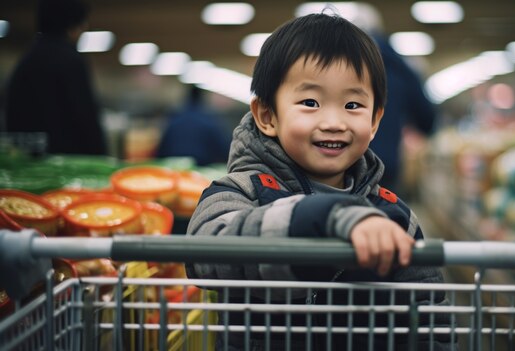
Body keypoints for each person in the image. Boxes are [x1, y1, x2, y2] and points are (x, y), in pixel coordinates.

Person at [185, 13, 451, 350]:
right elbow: (206, 256)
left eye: (353, 105)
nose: (333, 122)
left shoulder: (394, 215)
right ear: (267, 116)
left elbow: (429, 316)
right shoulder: (239, 193)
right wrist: (323, 218)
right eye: (310, 103)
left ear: (374, 121)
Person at [4, 0, 107, 155]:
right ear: (73, 24)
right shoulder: (70, 59)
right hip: (67, 162)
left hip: (28, 159)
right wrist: (101, 157)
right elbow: (85, 117)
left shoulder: (26, 59)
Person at [353, 4, 438, 192]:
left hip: (336, 161)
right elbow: (427, 118)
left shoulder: (331, 63)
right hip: (385, 165)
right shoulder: (399, 68)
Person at [156, 85, 231, 166]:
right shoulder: (209, 121)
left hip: (172, 168)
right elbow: (225, 150)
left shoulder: (174, 120)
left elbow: (161, 150)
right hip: (200, 169)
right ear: (203, 99)